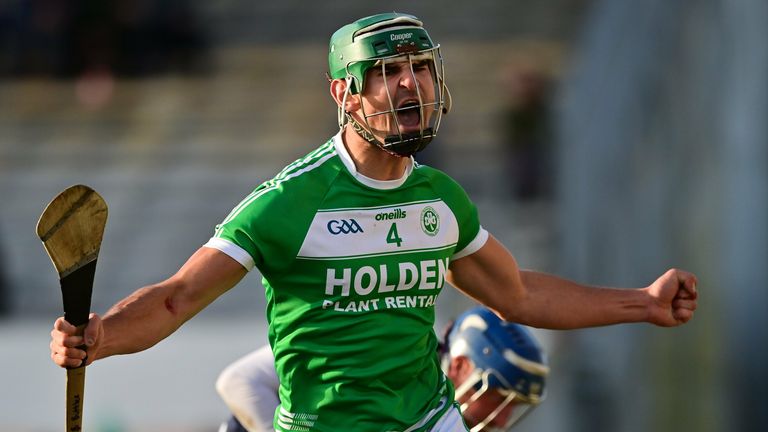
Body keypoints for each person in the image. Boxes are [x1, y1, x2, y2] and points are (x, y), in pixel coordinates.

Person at [49, 12, 698, 432]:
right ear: (343, 92)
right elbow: (174, 299)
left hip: (428, 419)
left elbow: (518, 295)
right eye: (389, 72)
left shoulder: (442, 201)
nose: (412, 86)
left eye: (420, 68)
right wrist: (98, 338)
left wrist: (641, 302)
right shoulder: (286, 203)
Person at [216, 306, 548, 432]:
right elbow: (240, 381)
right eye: (499, 396)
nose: (503, 419)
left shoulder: (436, 413)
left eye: (515, 406)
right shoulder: (387, 346)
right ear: (460, 365)